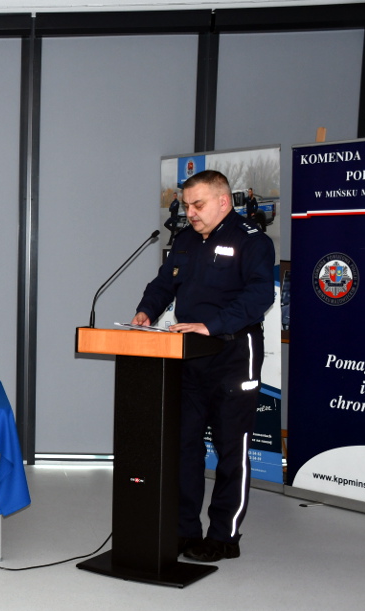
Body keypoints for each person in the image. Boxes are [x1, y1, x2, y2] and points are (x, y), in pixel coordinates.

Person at [131, 170, 274, 563]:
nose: (190, 213)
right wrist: (146, 311)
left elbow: (260, 295)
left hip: (233, 352)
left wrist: (211, 325)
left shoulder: (252, 240)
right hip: (189, 355)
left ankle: (225, 536)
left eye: (198, 204)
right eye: (187, 205)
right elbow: (164, 283)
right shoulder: (185, 240)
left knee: (231, 448)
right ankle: (184, 530)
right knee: (185, 445)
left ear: (223, 201)